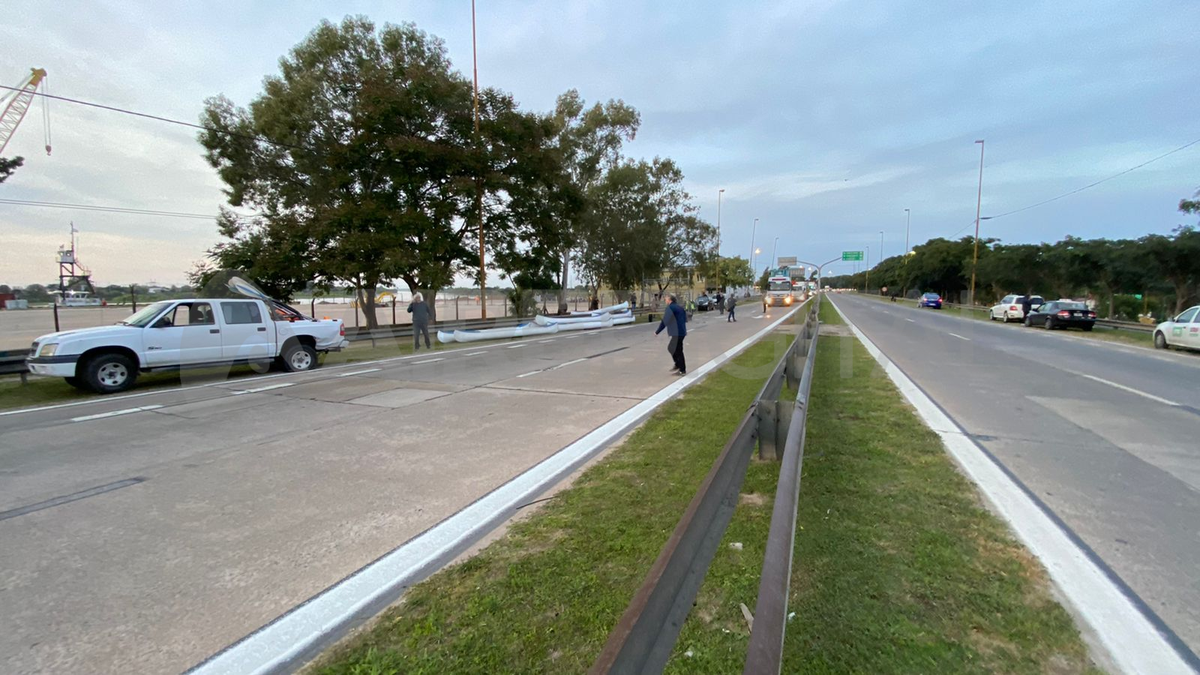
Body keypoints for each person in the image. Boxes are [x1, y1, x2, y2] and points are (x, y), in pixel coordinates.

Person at [655, 293, 688, 375]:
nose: (665, 300)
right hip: (681, 331)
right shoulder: (679, 307)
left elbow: (665, 321)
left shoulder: (670, 308)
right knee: (676, 349)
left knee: (674, 349)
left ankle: (681, 369)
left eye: (666, 299)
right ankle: (679, 365)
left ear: (670, 300)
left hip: (676, 332)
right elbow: (685, 319)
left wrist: (657, 331)